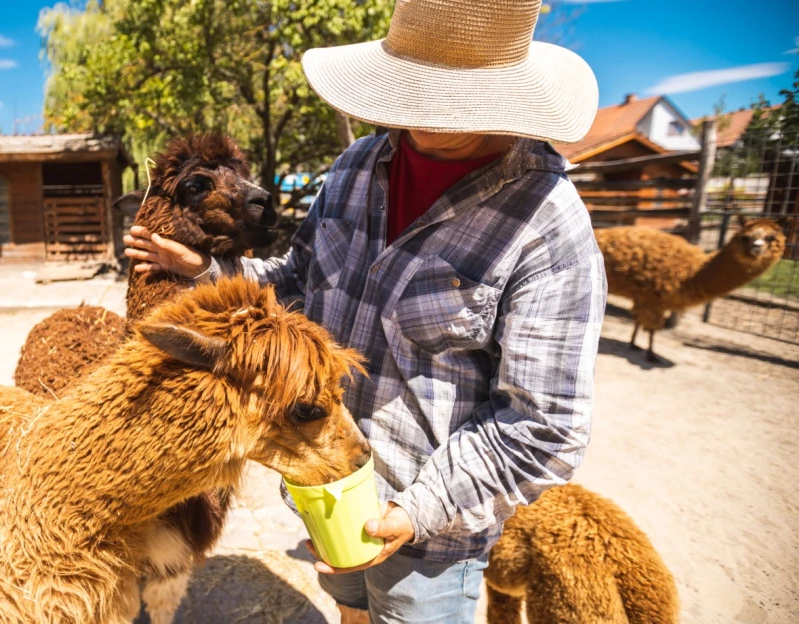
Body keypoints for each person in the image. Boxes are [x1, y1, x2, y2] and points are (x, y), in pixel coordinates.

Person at [125, 0, 606, 621]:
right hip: (323, 487)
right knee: (349, 609)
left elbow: (546, 423)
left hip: (430, 531)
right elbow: (300, 283)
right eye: (415, 86)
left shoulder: (546, 226)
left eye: (450, 94)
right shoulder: (358, 169)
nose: (423, 112)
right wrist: (208, 273)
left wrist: (417, 512)